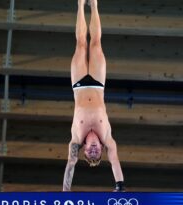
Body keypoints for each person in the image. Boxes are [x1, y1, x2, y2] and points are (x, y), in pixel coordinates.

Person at [62, 0, 125, 192]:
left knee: (81, 44)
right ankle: (95, 5)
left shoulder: (76, 139)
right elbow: (114, 159)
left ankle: (81, 5)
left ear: (85, 149)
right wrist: (119, 186)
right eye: (98, 152)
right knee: (96, 43)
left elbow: (71, 165)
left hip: (79, 84)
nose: (94, 149)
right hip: (98, 83)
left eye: (90, 152)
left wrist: (65, 192)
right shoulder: (107, 136)